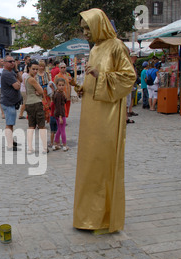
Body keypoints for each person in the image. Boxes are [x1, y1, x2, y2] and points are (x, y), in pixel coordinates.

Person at [73, 9, 136, 233]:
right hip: (91, 114)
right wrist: (82, 87)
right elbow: (93, 77)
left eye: (87, 27)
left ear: (99, 25)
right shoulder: (95, 49)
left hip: (107, 115)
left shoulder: (117, 46)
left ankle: (103, 217)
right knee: (89, 163)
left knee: (102, 161)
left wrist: (101, 76)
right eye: (83, 29)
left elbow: (129, 77)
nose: (85, 33)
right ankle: (87, 216)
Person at [25, 60, 48, 154]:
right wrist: (39, 92)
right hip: (36, 103)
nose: (35, 71)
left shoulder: (26, 78)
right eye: (33, 69)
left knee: (31, 126)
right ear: (29, 68)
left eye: (36, 69)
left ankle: (30, 148)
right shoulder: (32, 79)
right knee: (41, 126)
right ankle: (44, 148)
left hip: (29, 103)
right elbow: (41, 91)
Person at [0, 56, 22, 151]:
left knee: (11, 124)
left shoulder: (11, 72)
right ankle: (10, 145)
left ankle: (12, 141)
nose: (12, 63)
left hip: (11, 102)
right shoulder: (6, 74)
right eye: (10, 61)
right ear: (4, 63)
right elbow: (17, 86)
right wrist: (18, 83)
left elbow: (20, 80)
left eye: (13, 61)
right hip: (8, 103)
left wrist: (16, 70)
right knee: (9, 124)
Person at [52, 78, 68, 151]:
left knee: (59, 129)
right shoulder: (58, 94)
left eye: (62, 85)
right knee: (62, 130)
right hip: (60, 114)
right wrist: (61, 117)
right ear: (57, 85)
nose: (61, 86)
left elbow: (63, 102)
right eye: (59, 85)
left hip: (58, 114)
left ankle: (55, 144)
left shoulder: (58, 93)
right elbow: (58, 106)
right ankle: (64, 145)